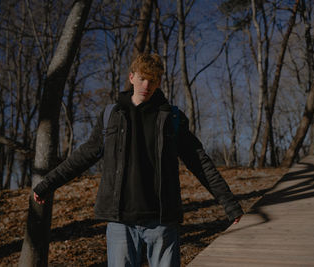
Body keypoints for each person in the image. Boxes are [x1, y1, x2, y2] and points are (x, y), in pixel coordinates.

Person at [33, 53, 243, 267]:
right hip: (121, 222)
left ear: (159, 82)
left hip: (162, 221)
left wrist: (230, 205)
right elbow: (84, 155)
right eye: (143, 78)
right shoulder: (111, 115)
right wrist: (47, 184)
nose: (147, 85)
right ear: (132, 77)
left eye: (153, 80)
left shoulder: (172, 118)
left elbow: (200, 162)